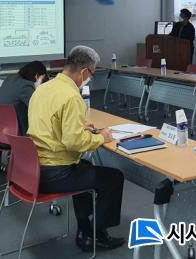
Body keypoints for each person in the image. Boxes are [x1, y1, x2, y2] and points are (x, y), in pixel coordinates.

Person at [28, 46, 125, 251]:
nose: (89, 79)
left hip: (32, 168)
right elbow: (74, 142)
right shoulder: (72, 97)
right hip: (54, 173)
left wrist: (80, 128)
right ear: (84, 72)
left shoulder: (42, 88)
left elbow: (51, 126)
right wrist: (101, 137)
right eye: (92, 74)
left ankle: (85, 229)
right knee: (113, 178)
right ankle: (96, 235)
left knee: (84, 167)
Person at [0, 60, 47, 134]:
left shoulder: (10, 78)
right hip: (12, 129)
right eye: (42, 79)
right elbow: (37, 108)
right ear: (37, 76)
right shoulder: (26, 86)